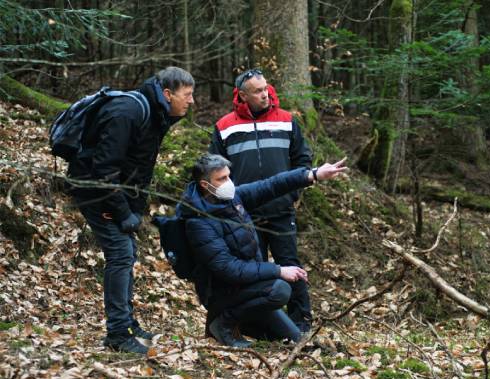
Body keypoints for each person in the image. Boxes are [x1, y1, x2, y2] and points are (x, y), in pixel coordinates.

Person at [67, 66, 195, 354]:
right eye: (187, 95)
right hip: (94, 191)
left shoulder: (156, 115)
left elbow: (139, 167)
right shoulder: (129, 111)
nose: (191, 101)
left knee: (126, 252)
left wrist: (136, 211)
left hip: (113, 192)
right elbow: (104, 170)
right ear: (167, 94)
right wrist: (124, 213)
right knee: (120, 253)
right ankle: (117, 333)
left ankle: (126, 324)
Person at [178, 154, 347, 347]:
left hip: (247, 288)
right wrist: (278, 270)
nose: (229, 183)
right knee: (281, 288)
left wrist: (313, 175)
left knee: (297, 341)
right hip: (223, 294)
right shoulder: (198, 222)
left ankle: (240, 323)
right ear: (205, 185)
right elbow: (228, 268)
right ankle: (222, 324)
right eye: (222, 179)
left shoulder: (232, 199)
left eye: (229, 176)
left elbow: (271, 185)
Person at [209, 69, 314, 332]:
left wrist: (292, 194)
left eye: (266, 88)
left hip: (281, 211)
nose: (265, 94)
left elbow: (302, 161)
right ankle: (252, 325)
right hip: (243, 214)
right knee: (250, 271)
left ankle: (301, 324)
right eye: (257, 91)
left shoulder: (287, 121)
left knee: (290, 266)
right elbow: (215, 170)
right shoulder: (224, 126)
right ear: (242, 95)